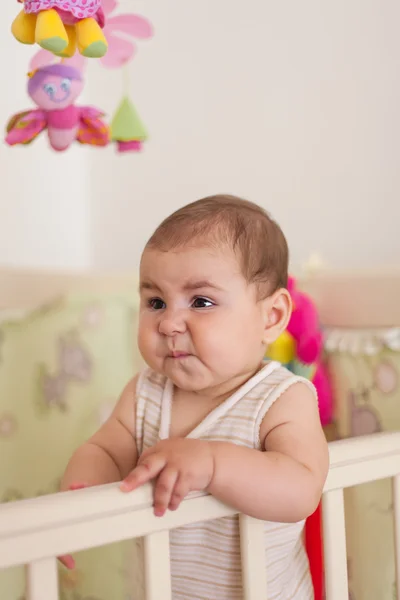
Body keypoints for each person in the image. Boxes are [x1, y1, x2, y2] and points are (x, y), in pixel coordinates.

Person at [60, 195, 329, 599]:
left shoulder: (281, 399)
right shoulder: (145, 394)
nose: (168, 322)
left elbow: (301, 490)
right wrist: (80, 495)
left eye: (201, 302)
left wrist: (212, 462)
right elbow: (105, 451)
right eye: (155, 302)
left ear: (271, 317)